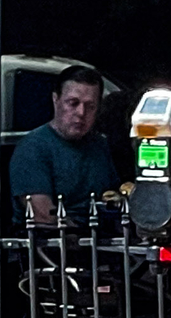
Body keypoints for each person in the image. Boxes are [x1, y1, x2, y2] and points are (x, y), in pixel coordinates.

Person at [9, 64, 116, 228]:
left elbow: (113, 197)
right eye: (73, 103)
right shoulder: (32, 148)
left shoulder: (100, 145)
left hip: (104, 241)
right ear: (55, 100)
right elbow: (43, 214)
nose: (81, 112)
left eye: (90, 106)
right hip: (51, 246)